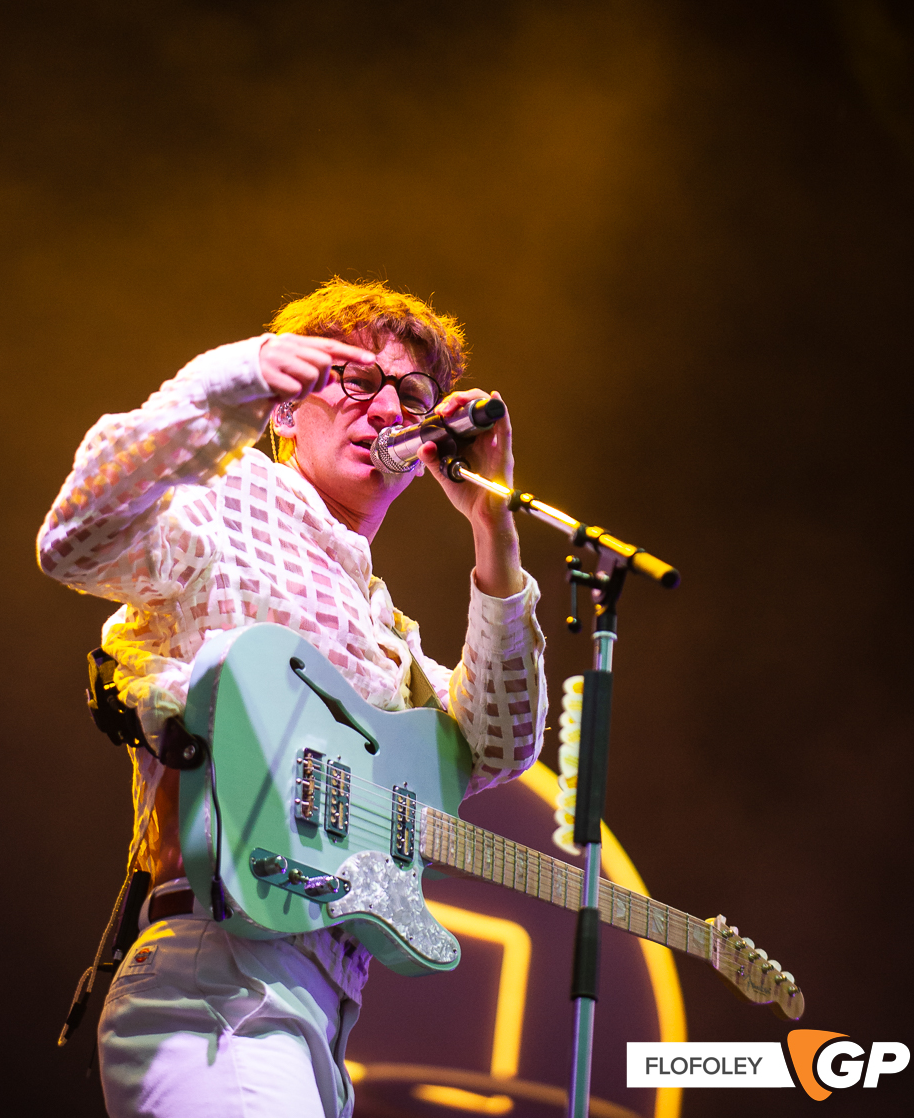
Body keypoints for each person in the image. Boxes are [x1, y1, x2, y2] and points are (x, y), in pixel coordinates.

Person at [37, 279, 547, 1118]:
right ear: (285, 409)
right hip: (219, 981)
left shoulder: (383, 625)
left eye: (412, 395)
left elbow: (498, 746)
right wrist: (230, 378)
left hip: (320, 1013)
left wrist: (493, 526)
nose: (389, 409)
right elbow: (73, 540)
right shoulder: (226, 502)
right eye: (358, 380)